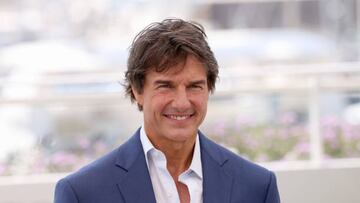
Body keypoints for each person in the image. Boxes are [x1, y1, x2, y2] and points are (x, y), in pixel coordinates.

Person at [54, 18, 280, 203]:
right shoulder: (81, 194)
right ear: (137, 90)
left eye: (194, 86)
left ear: (209, 88)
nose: (182, 102)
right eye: (166, 86)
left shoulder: (257, 187)